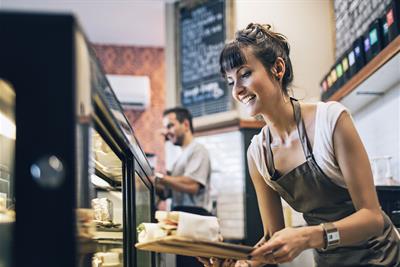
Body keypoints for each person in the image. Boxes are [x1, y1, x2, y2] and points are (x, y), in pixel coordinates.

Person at [199, 23, 400, 267]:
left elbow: (373, 219)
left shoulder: (331, 121)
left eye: (245, 74)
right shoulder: (258, 153)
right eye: (231, 82)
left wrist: (308, 236)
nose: (237, 90)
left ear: (278, 68)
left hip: (381, 256)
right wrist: (243, 261)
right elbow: (272, 237)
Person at [152, 107, 212, 266]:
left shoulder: (198, 150)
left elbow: (193, 185)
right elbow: (166, 192)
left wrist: (161, 178)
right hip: (182, 217)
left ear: (185, 124)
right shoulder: (180, 157)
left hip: (195, 217)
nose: (166, 132)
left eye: (170, 126)